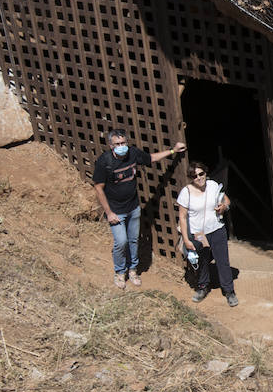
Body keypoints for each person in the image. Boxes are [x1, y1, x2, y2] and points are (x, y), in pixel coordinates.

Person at [91, 128, 186, 290]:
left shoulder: (133, 154)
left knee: (133, 240)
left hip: (133, 207)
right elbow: (99, 188)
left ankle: (133, 270)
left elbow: (151, 158)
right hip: (116, 211)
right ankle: (120, 272)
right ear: (111, 145)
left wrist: (173, 150)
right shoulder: (104, 162)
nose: (121, 146)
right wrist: (109, 213)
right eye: (117, 144)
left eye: (123, 143)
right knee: (121, 242)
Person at [177, 161, 238, 307]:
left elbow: (226, 200)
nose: (198, 178)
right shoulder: (186, 193)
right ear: (191, 178)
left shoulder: (213, 186)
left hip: (216, 229)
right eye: (194, 176)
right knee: (202, 261)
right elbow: (182, 218)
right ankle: (203, 287)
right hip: (198, 233)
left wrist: (223, 207)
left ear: (205, 173)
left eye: (201, 174)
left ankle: (229, 291)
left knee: (222, 261)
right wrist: (186, 239)